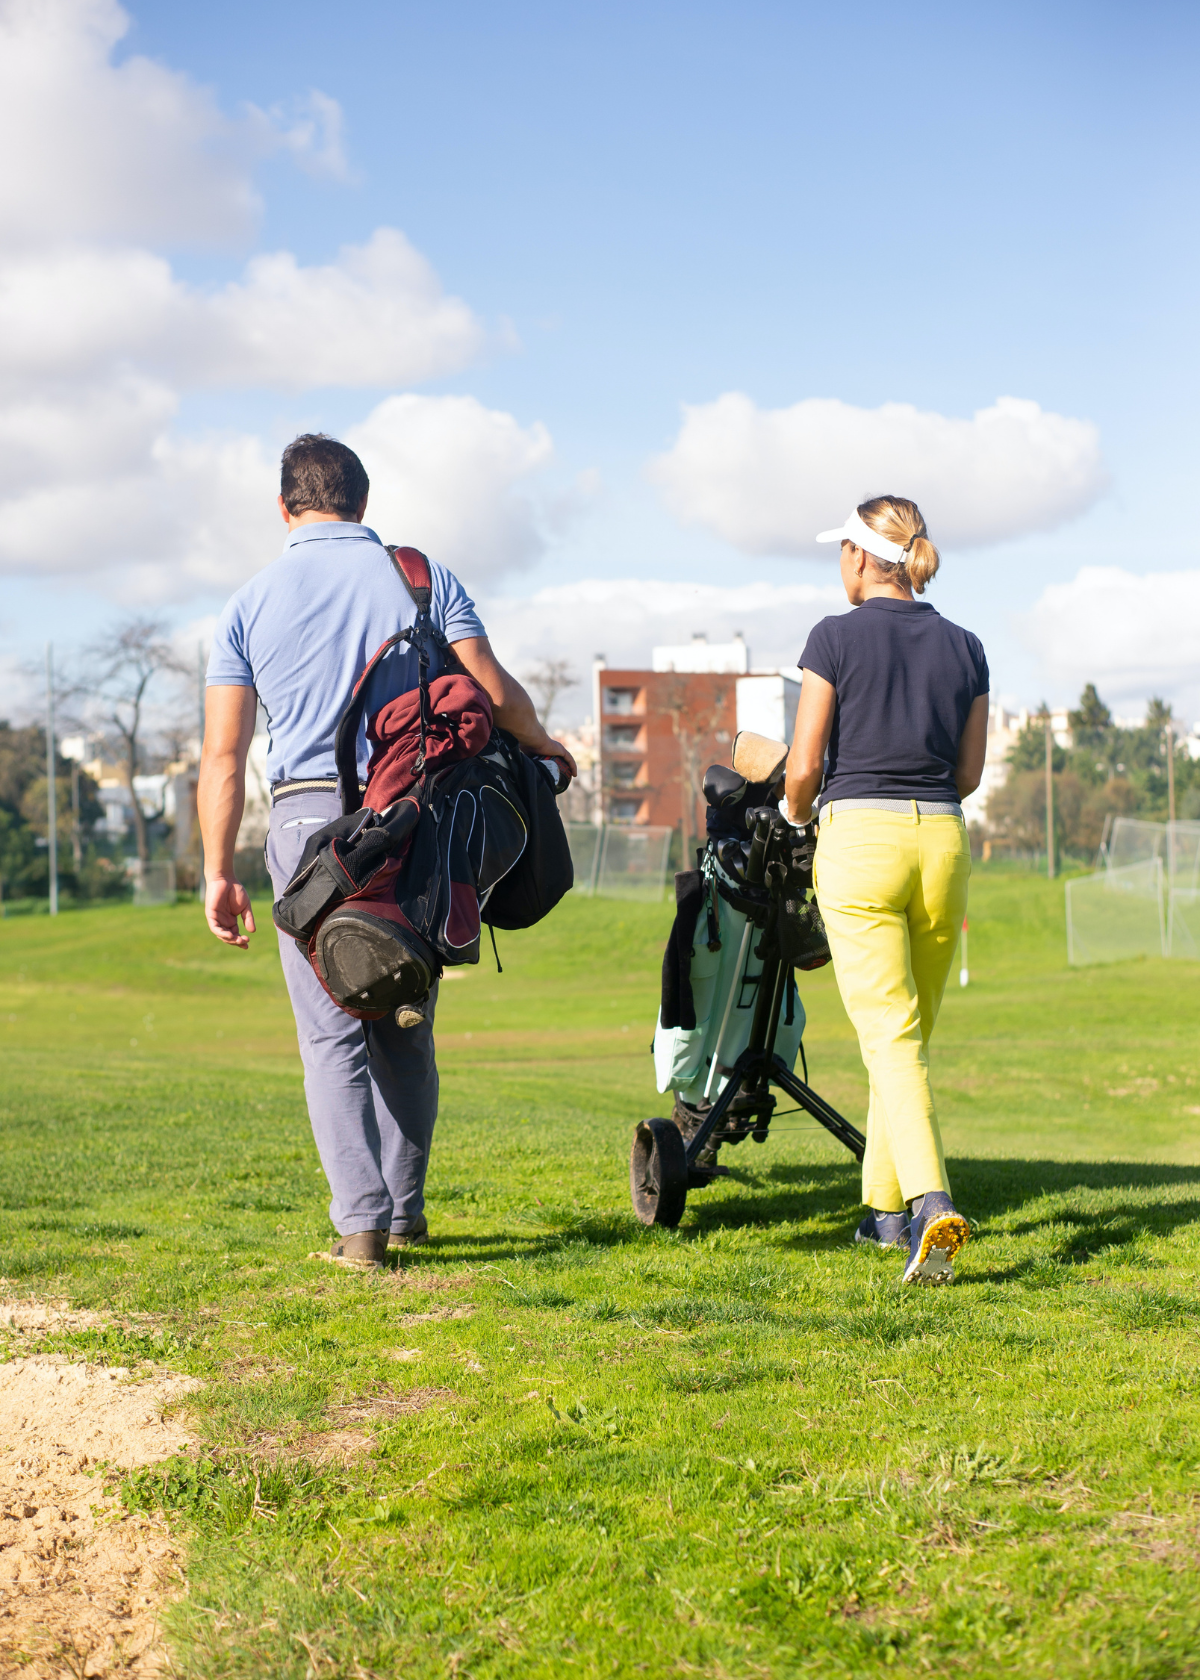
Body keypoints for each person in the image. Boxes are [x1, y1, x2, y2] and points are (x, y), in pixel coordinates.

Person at [197, 434, 576, 1269]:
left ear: (285, 508)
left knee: (332, 1033)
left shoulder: (247, 603)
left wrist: (217, 870)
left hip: (305, 833)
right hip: (411, 820)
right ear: (363, 504)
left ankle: (361, 1229)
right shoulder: (420, 577)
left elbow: (223, 756)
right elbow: (493, 689)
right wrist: (547, 745)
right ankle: (405, 1215)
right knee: (404, 1017)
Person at [783, 496, 988, 1285]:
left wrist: (797, 812)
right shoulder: (967, 646)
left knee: (891, 1039)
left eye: (840, 550)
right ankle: (883, 1213)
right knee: (901, 1038)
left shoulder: (833, 637)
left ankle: (932, 1206)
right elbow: (968, 775)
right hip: (941, 841)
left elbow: (802, 768)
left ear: (864, 558)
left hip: (860, 841)